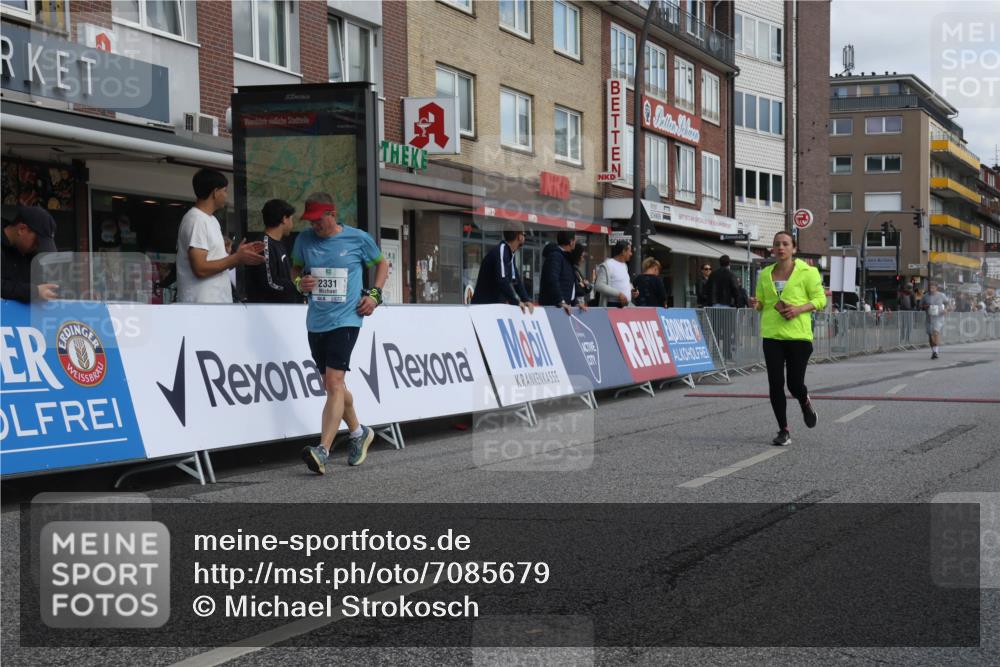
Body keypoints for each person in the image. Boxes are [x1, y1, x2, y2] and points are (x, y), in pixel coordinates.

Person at [293, 193, 389, 474]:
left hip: (348, 319)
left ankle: (322, 450)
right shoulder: (304, 240)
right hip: (316, 321)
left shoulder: (358, 238)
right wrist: (300, 282)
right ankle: (359, 433)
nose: (315, 226)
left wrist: (374, 295)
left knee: (335, 382)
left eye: (318, 220)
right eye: (310, 221)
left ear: (332, 213)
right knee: (332, 386)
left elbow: (382, 264)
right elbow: (295, 269)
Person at [750, 231, 826, 446]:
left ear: (793, 248)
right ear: (772, 249)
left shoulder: (807, 272)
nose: (780, 248)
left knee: (794, 383)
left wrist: (799, 309)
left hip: (798, 335)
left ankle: (804, 401)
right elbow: (762, 304)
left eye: (785, 244)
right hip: (772, 335)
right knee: (775, 383)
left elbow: (820, 300)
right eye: (777, 244)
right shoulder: (765, 274)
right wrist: (755, 304)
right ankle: (783, 430)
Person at [175, 169, 264, 303]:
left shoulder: (211, 220)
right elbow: (200, 269)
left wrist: (233, 255)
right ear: (215, 192)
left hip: (215, 304)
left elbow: (212, 263)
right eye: (225, 190)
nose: (226, 195)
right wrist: (235, 258)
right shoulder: (196, 220)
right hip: (201, 306)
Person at [246, 199, 304, 304]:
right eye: (291, 219)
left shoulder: (278, 243)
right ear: (284, 219)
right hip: (267, 311)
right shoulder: (264, 245)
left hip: (281, 309)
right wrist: (298, 286)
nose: (292, 224)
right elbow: (270, 282)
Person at [2, 206, 59, 303]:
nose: (37, 247)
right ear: (22, 229)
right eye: (36, 242)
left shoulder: (26, 253)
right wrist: (34, 291)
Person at [471, 226, 534, 313]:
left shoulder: (509, 253)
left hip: (493, 306)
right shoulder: (501, 251)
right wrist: (515, 301)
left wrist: (526, 299)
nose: (524, 237)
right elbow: (502, 280)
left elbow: (516, 280)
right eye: (524, 234)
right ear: (520, 237)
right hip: (483, 307)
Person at [539, 230, 584, 315]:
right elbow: (552, 280)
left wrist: (575, 303)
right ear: (571, 242)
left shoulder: (567, 258)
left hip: (565, 308)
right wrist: (561, 301)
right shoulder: (555, 256)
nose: (575, 242)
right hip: (555, 309)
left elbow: (569, 285)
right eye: (575, 240)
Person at [594, 241, 635, 307]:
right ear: (623, 251)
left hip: (625, 306)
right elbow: (599, 285)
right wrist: (618, 294)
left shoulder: (624, 265)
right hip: (612, 305)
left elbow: (624, 282)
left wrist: (632, 290)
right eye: (629, 251)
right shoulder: (607, 265)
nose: (631, 254)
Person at [921, 280, 947, 359]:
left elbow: (948, 303)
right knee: (930, 336)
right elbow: (920, 306)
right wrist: (926, 306)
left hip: (938, 318)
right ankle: (933, 350)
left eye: (933, 287)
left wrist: (946, 309)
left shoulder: (941, 295)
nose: (931, 289)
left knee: (936, 333)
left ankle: (936, 351)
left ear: (936, 288)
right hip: (929, 318)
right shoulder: (925, 296)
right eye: (930, 287)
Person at [569, 244, 592, 308]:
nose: (583, 259)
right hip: (575, 306)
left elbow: (587, 288)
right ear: (576, 256)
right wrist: (584, 286)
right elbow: (579, 289)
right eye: (581, 256)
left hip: (580, 306)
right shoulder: (572, 270)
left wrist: (585, 286)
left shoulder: (577, 270)